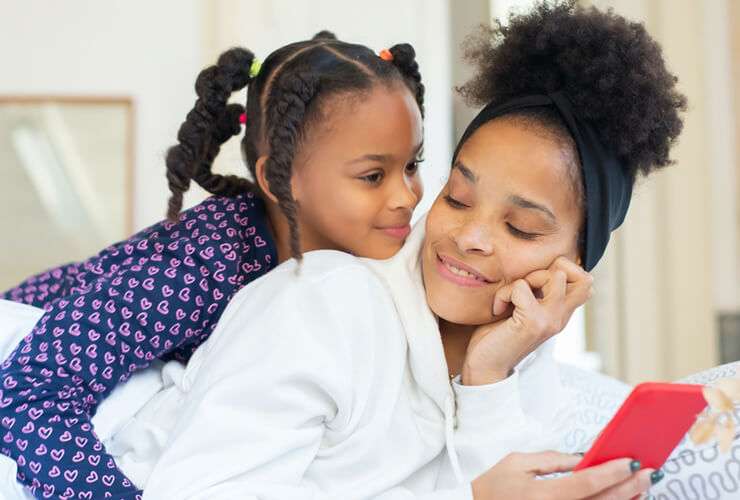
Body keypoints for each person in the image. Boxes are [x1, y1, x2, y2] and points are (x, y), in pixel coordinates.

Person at [142, 1, 686, 498]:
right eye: (458, 196)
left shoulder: (525, 367)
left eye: (520, 228)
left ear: (576, 262)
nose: (468, 236)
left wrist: (487, 378)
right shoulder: (324, 305)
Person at [0, 31, 426, 498]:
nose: (407, 196)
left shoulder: (362, 266)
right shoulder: (200, 269)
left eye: (412, 165)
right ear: (280, 178)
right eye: (372, 176)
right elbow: (28, 393)